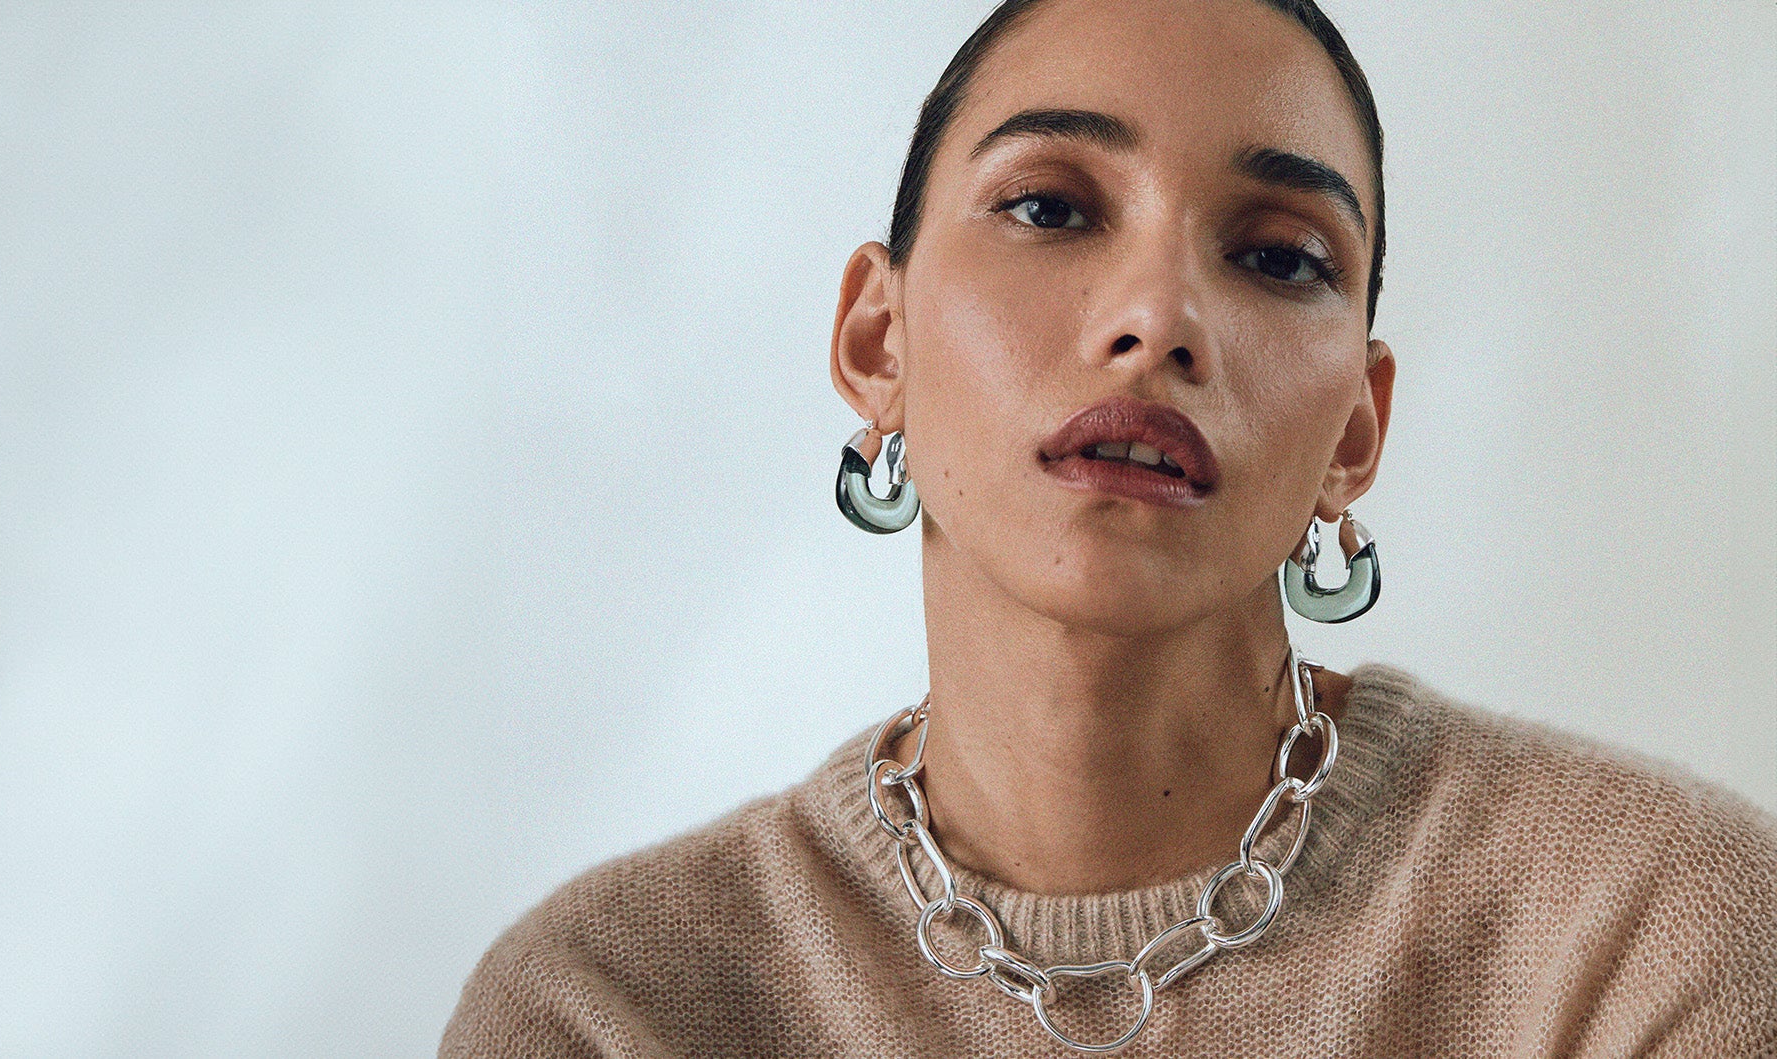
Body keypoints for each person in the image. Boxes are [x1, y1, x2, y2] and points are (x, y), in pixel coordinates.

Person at [439, 0, 1777, 1054]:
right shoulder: (614, 1007)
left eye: (1278, 256)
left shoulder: (1646, 937)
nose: (1158, 318)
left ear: (1354, 437)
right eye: (1051, 209)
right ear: (876, 340)